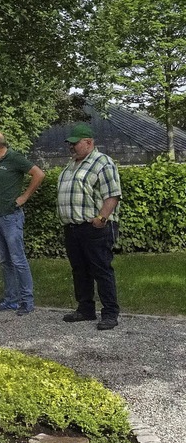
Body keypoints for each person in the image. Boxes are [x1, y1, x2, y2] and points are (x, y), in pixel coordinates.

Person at [57, 123, 122, 330]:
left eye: (75, 143)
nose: (71, 147)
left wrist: (101, 219)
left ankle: (110, 313)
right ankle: (85, 309)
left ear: (89, 142)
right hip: (73, 227)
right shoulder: (72, 164)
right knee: (79, 270)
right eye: (70, 144)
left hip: (95, 227)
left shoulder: (102, 162)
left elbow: (112, 194)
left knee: (101, 269)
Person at [0, 132, 45, 316]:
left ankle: (27, 301)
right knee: (5, 261)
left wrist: (24, 197)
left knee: (18, 260)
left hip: (11, 217)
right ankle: (11, 299)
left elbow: (39, 174)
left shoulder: (14, 158)